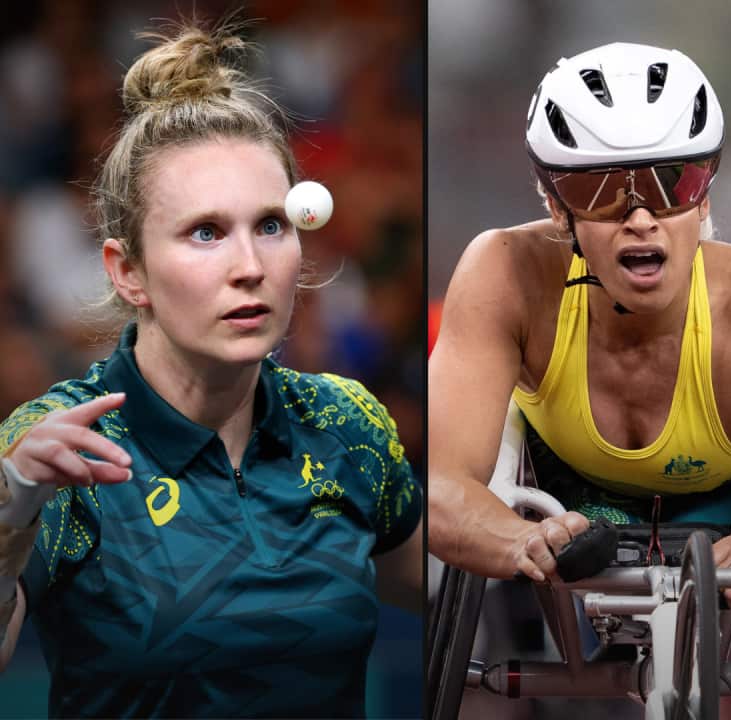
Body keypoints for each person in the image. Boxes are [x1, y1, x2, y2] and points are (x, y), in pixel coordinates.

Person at [0, 21, 423, 717]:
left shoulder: (346, 424)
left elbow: (449, 594)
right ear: (128, 271)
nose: (250, 266)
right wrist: (9, 519)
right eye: (206, 232)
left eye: (270, 225)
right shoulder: (60, 445)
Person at [427, 42, 731, 618]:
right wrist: (522, 540)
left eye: (673, 183)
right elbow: (438, 487)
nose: (641, 218)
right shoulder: (504, 273)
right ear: (558, 209)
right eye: (601, 192)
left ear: (704, 199)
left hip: (724, 516)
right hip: (559, 509)